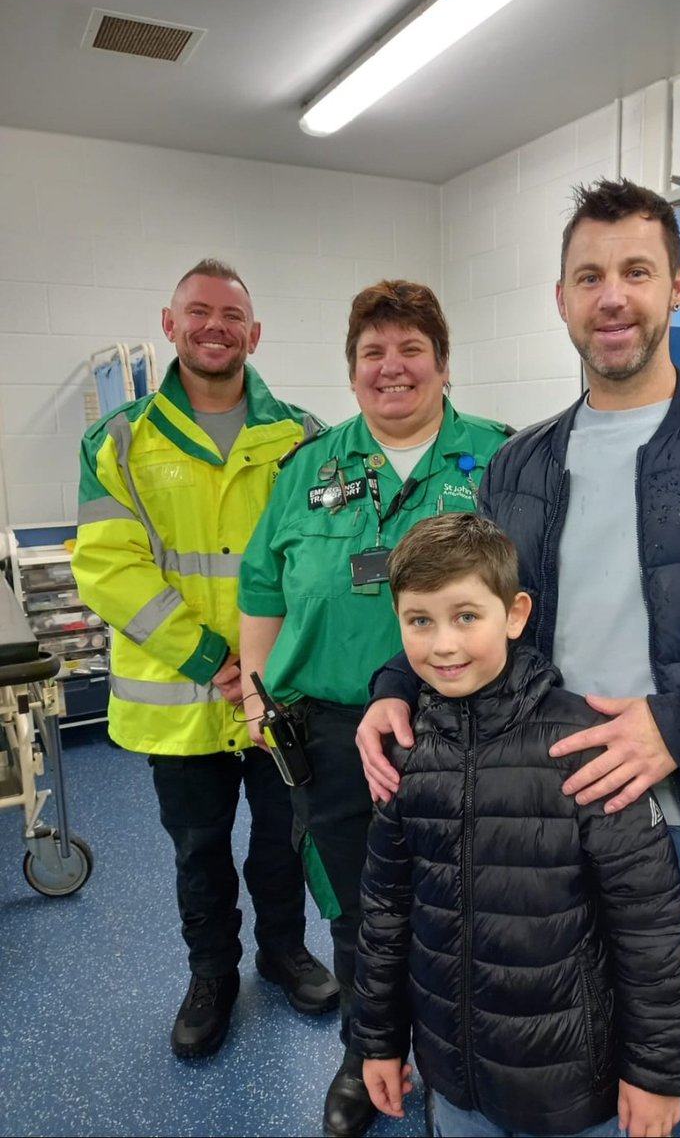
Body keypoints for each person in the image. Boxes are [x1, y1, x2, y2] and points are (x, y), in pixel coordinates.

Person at [355, 180, 680, 1137]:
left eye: (636, 271)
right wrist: (395, 688)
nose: (613, 296)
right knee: (581, 1070)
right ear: (560, 299)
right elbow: (474, 608)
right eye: (589, 275)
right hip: (550, 831)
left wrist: (673, 725)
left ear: (677, 285)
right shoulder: (520, 465)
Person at [237, 279, 513, 1137]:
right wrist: (255, 688)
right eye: (372, 353)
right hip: (330, 732)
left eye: (410, 351)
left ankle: (464, 1053)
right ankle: (367, 1055)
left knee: (475, 900)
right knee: (361, 907)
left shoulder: (502, 459)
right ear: (351, 368)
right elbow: (258, 585)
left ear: (441, 362)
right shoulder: (304, 470)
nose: (390, 369)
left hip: (469, 724)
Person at [352, 511, 680, 1138]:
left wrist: (655, 1074)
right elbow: (385, 911)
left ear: (514, 615)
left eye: (466, 617)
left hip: (570, 1086)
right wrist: (375, 1041)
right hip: (454, 1080)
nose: (444, 644)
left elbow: (650, 930)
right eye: (419, 621)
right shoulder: (405, 752)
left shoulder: (586, 749)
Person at [71, 258, 339, 1061]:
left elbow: (319, 561)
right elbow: (108, 567)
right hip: (178, 697)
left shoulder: (304, 437)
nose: (214, 326)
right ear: (170, 324)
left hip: (279, 695)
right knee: (198, 848)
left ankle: (284, 954)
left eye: (230, 315)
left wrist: (268, 666)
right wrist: (212, 658)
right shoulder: (118, 440)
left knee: (282, 840)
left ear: (253, 334)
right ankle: (211, 976)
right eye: (198, 312)